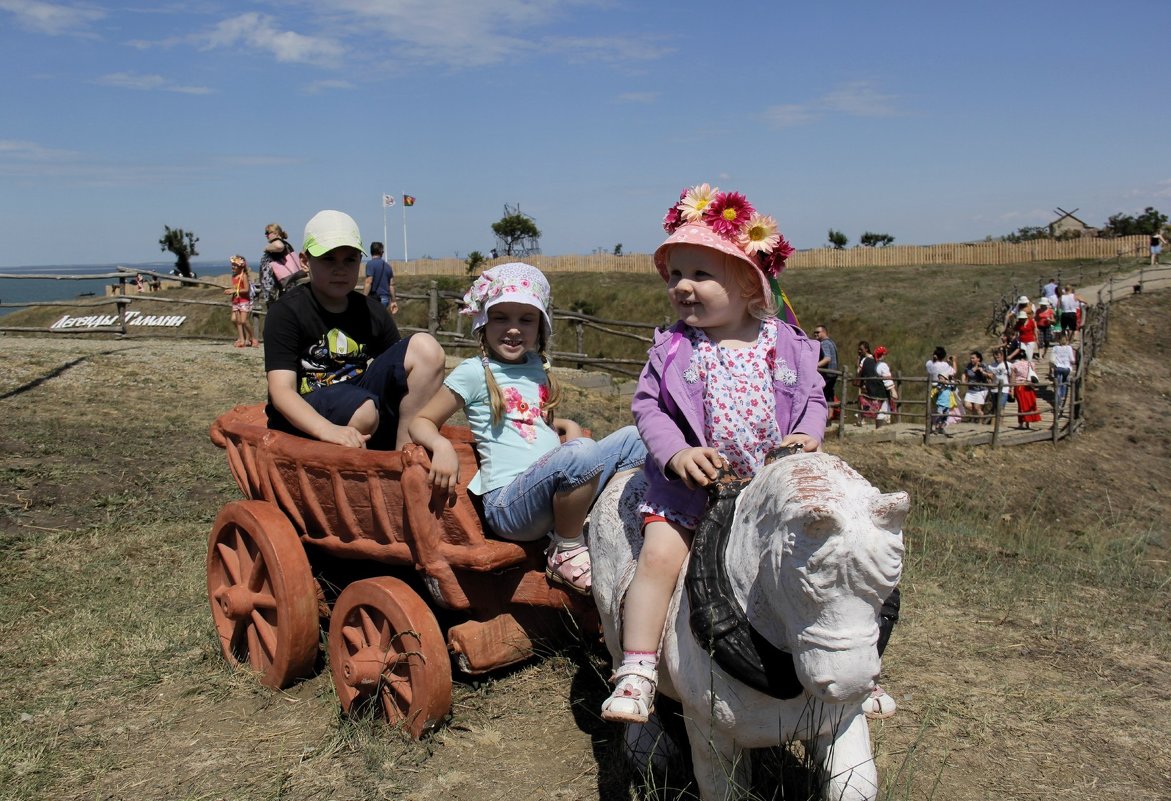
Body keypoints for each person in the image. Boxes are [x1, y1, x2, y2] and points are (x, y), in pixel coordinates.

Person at [601, 183, 827, 724]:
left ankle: (847, 669)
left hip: (769, 490)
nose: (683, 287)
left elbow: (814, 396)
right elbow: (649, 410)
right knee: (657, 557)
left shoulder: (786, 342)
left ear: (749, 283)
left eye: (701, 275)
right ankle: (637, 667)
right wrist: (676, 454)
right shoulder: (674, 348)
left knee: (822, 560)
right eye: (676, 275)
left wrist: (808, 435)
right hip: (692, 490)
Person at [409, 263, 645, 596]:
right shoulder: (474, 372)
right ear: (483, 321)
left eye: (526, 319)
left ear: (541, 327)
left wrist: (566, 425)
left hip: (547, 493)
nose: (514, 329)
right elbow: (421, 421)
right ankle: (565, 549)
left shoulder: (537, 367)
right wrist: (442, 446)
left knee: (637, 439)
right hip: (510, 505)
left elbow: (535, 426)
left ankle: (622, 524)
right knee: (581, 453)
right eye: (501, 317)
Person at [264, 210, 446, 450]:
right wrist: (327, 430)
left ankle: (405, 454)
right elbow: (281, 391)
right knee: (364, 411)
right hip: (309, 410)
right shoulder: (287, 312)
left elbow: (398, 374)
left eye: (350, 259)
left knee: (427, 348)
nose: (340, 269)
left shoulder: (373, 312)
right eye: (328, 258)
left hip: (357, 399)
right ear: (305, 261)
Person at [258, 223, 304, 304]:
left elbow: (279, 246)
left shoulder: (277, 242)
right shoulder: (286, 244)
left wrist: (266, 248)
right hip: (290, 281)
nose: (266, 235)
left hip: (284, 283)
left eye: (267, 233)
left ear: (275, 233)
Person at [225, 255, 257, 348]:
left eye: (235, 265)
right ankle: (242, 339)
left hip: (243, 301)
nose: (233, 267)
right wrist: (231, 290)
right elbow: (236, 288)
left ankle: (252, 338)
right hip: (236, 301)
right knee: (237, 320)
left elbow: (246, 289)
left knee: (244, 321)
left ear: (241, 266)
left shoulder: (244, 276)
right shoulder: (234, 276)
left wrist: (234, 291)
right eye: (232, 265)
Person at [856, 341, 888, 425]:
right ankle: (861, 418)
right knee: (862, 401)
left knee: (867, 402)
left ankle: (867, 418)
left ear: (866, 349)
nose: (859, 351)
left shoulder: (868, 359)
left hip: (868, 383)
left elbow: (860, 370)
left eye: (861, 349)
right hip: (865, 382)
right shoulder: (863, 359)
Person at [363, 241, 398, 314]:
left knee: (373, 321)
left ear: (371, 251)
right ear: (381, 252)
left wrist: (363, 298)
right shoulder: (388, 267)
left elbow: (369, 282)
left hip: (374, 298)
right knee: (380, 319)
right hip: (385, 299)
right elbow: (391, 285)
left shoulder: (370, 264)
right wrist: (394, 301)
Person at [1009, 351, 1042, 430]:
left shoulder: (1014, 365)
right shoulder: (1031, 364)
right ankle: (1029, 422)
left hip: (1019, 386)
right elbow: (1034, 375)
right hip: (1029, 386)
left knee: (1021, 405)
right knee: (1030, 404)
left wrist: (1011, 388)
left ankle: (1021, 423)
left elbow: (1013, 378)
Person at [813, 324, 839, 419]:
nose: (815, 334)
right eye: (815, 332)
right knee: (829, 395)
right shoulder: (831, 342)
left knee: (821, 395)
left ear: (824, 332)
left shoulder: (824, 343)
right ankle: (829, 417)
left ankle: (821, 417)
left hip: (827, 374)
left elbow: (827, 358)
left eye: (818, 332)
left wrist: (814, 366)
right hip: (833, 373)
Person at [962, 351, 994, 423]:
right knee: (967, 405)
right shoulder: (969, 366)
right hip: (971, 388)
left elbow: (991, 376)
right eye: (971, 358)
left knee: (977, 407)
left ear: (978, 359)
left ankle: (980, 422)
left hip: (981, 389)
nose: (971, 360)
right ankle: (975, 416)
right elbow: (965, 373)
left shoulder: (983, 365)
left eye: (973, 358)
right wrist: (963, 380)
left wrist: (983, 372)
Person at [1048, 332, 1076, 415]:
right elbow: (1072, 359)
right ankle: (1063, 397)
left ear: (1058, 340)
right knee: (1064, 383)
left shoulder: (1055, 348)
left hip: (1058, 368)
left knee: (1058, 385)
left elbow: (1052, 359)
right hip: (1066, 368)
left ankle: (1058, 403)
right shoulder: (1069, 348)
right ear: (1066, 340)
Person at [874, 345, 897, 424]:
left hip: (876, 390)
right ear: (883, 355)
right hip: (882, 392)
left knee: (882, 410)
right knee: (883, 410)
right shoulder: (883, 365)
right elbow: (887, 379)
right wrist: (893, 391)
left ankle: (880, 427)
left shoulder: (875, 364)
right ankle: (881, 429)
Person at [988, 347, 1012, 418]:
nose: (997, 359)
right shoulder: (991, 366)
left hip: (1004, 388)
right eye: (995, 357)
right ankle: (996, 423)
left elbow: (1011, 376)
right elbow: (989, 378)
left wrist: (1011, 388)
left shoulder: (1008, 365)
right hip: (994, 389)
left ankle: (999, 421)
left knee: (1001, 405)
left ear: (1002, 356)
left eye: (998, 357)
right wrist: (990, 383)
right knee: (995, 407)